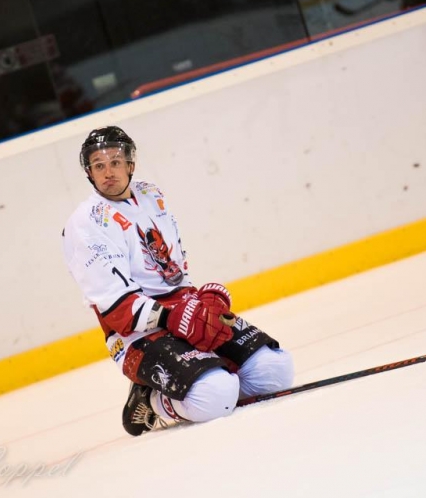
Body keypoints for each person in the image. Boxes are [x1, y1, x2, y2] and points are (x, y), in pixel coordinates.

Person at [62, 126, 294, 436]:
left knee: (274, 372)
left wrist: (200, 302)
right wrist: (173, 317)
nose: (108, 173)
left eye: (115, 162)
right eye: (99, 165)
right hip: (135, 334)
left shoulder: (150, 195)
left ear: (130, 165)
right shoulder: (87, 222)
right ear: (89, 172)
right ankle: (153, 400)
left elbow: (170, 268)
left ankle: (206, 375)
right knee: (216, 396)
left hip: (182, 311)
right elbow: (116, 309)